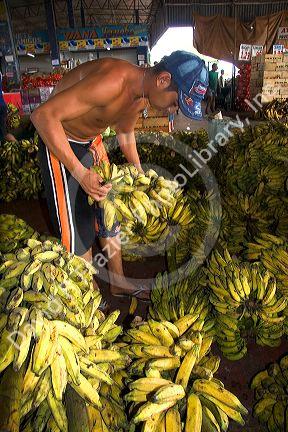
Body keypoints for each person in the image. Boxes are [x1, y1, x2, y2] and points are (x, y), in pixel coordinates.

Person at [31, 51, 208, 299]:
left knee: (109, 211)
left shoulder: (142, 95)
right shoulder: (113, 82)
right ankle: (87, 294)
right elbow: (42, 115)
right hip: (60, 140)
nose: (175, 109)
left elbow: (124, 131)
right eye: (177, 101)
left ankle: (118, 282)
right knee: (78, 223)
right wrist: (80, 173)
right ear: (163, 80)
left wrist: (139, 173)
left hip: (91, 141)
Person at [0, 72, 16, 143]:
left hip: (0, 108)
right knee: (3, 133)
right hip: (2, 106)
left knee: (3, 134)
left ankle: (17, 147)